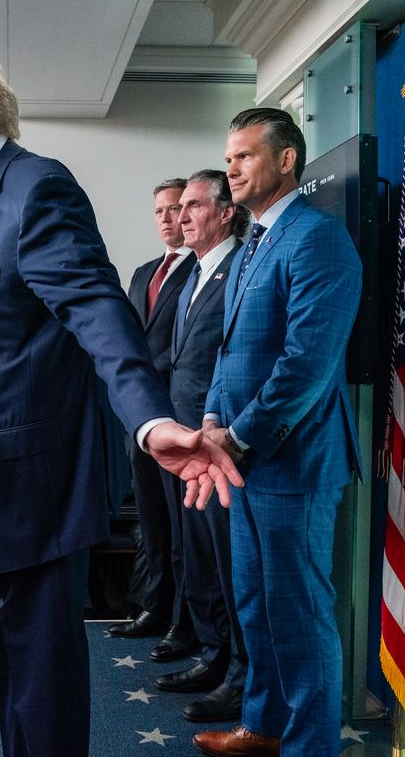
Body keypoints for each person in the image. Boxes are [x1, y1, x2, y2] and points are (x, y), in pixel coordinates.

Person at [0, 50, 240, 757]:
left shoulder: (34, 188)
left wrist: (150, 420)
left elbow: (97, 312)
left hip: (32, 485)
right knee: (16, 676)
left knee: (41, 682)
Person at [192, 108, 362, 757]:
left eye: (244, 156)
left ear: (286, 160)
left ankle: (310, 747)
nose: (231, 167)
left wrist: (236, 436)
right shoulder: (253, 244)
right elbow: (230, 352)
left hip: (295, 462)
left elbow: (307, 364)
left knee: (299, 614)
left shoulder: (319, 239)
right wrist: (211, 419)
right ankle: (262, 729)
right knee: (257, 605)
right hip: (243, 462)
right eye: (228, 157)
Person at [156, 170, 248, 723]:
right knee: (200, 558)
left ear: (225, 213)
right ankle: (213, 656)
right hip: (184, 444)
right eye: (180, 207)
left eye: (193, 206)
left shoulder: (239, 269)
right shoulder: (191, 275)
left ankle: (240, 674)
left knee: (229, 562)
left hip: (219, 450)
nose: (182, 216)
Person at [109, 178, 199, 661]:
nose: (169, 219)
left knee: (184, 528)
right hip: (140, 421)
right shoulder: (145, 271)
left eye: (177, 209)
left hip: (180, 420)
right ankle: (154, 607)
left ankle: (183, 624)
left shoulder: (206, 269)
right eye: (161, 211)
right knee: (152, 523)